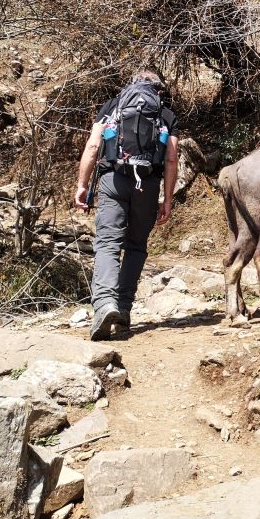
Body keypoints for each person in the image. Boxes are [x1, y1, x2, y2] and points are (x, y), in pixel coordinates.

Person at [73, 70, 179, 340]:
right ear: (159, 90)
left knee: (108, 243)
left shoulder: (112, 106)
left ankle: (105, 305)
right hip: (148, 184)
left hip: (113, 180)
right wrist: (167, 198)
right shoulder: (165, 114)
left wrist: (82, 185)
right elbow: (170, 160)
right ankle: (123, 308)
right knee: (135, 246)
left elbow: (93, 146)